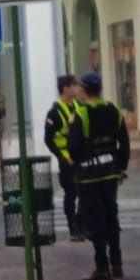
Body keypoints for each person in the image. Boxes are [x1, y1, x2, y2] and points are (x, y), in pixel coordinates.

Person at [67, 70, 129, 280]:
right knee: (112, 216)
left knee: (95, 221)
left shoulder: (81, 114)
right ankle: (117, 263)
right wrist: (121, 167)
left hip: (89, 176)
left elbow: (73, 146)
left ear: (83, 90)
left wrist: (76, 161)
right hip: (110, 173)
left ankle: (102, 267)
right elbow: (125, 143)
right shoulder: (114, 110)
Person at [43, 75, 84, 242]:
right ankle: (73, 228)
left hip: (81, 158)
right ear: (66, 88)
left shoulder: (79, 106)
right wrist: (61, 156)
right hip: (67, 160)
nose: (76, 88)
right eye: (74, 85)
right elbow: (48, 138)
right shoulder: (54, 112)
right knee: (71, 193)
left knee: (85, 192)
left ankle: (82, 225)